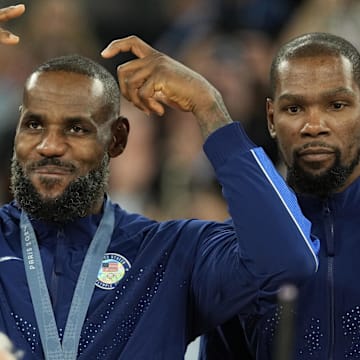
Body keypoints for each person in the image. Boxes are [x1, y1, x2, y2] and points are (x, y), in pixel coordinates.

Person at [0, 4, 319, 359]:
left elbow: (289, 260)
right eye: (34, 125)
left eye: (76, 128)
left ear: (117, 140)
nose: (49, 145)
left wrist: (208, 105)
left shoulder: (170, 254)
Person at [199, 31, 360, 360]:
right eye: (295, 108)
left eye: (337, 105)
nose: (314, 125)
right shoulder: (246, 245)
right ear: (272, 118)